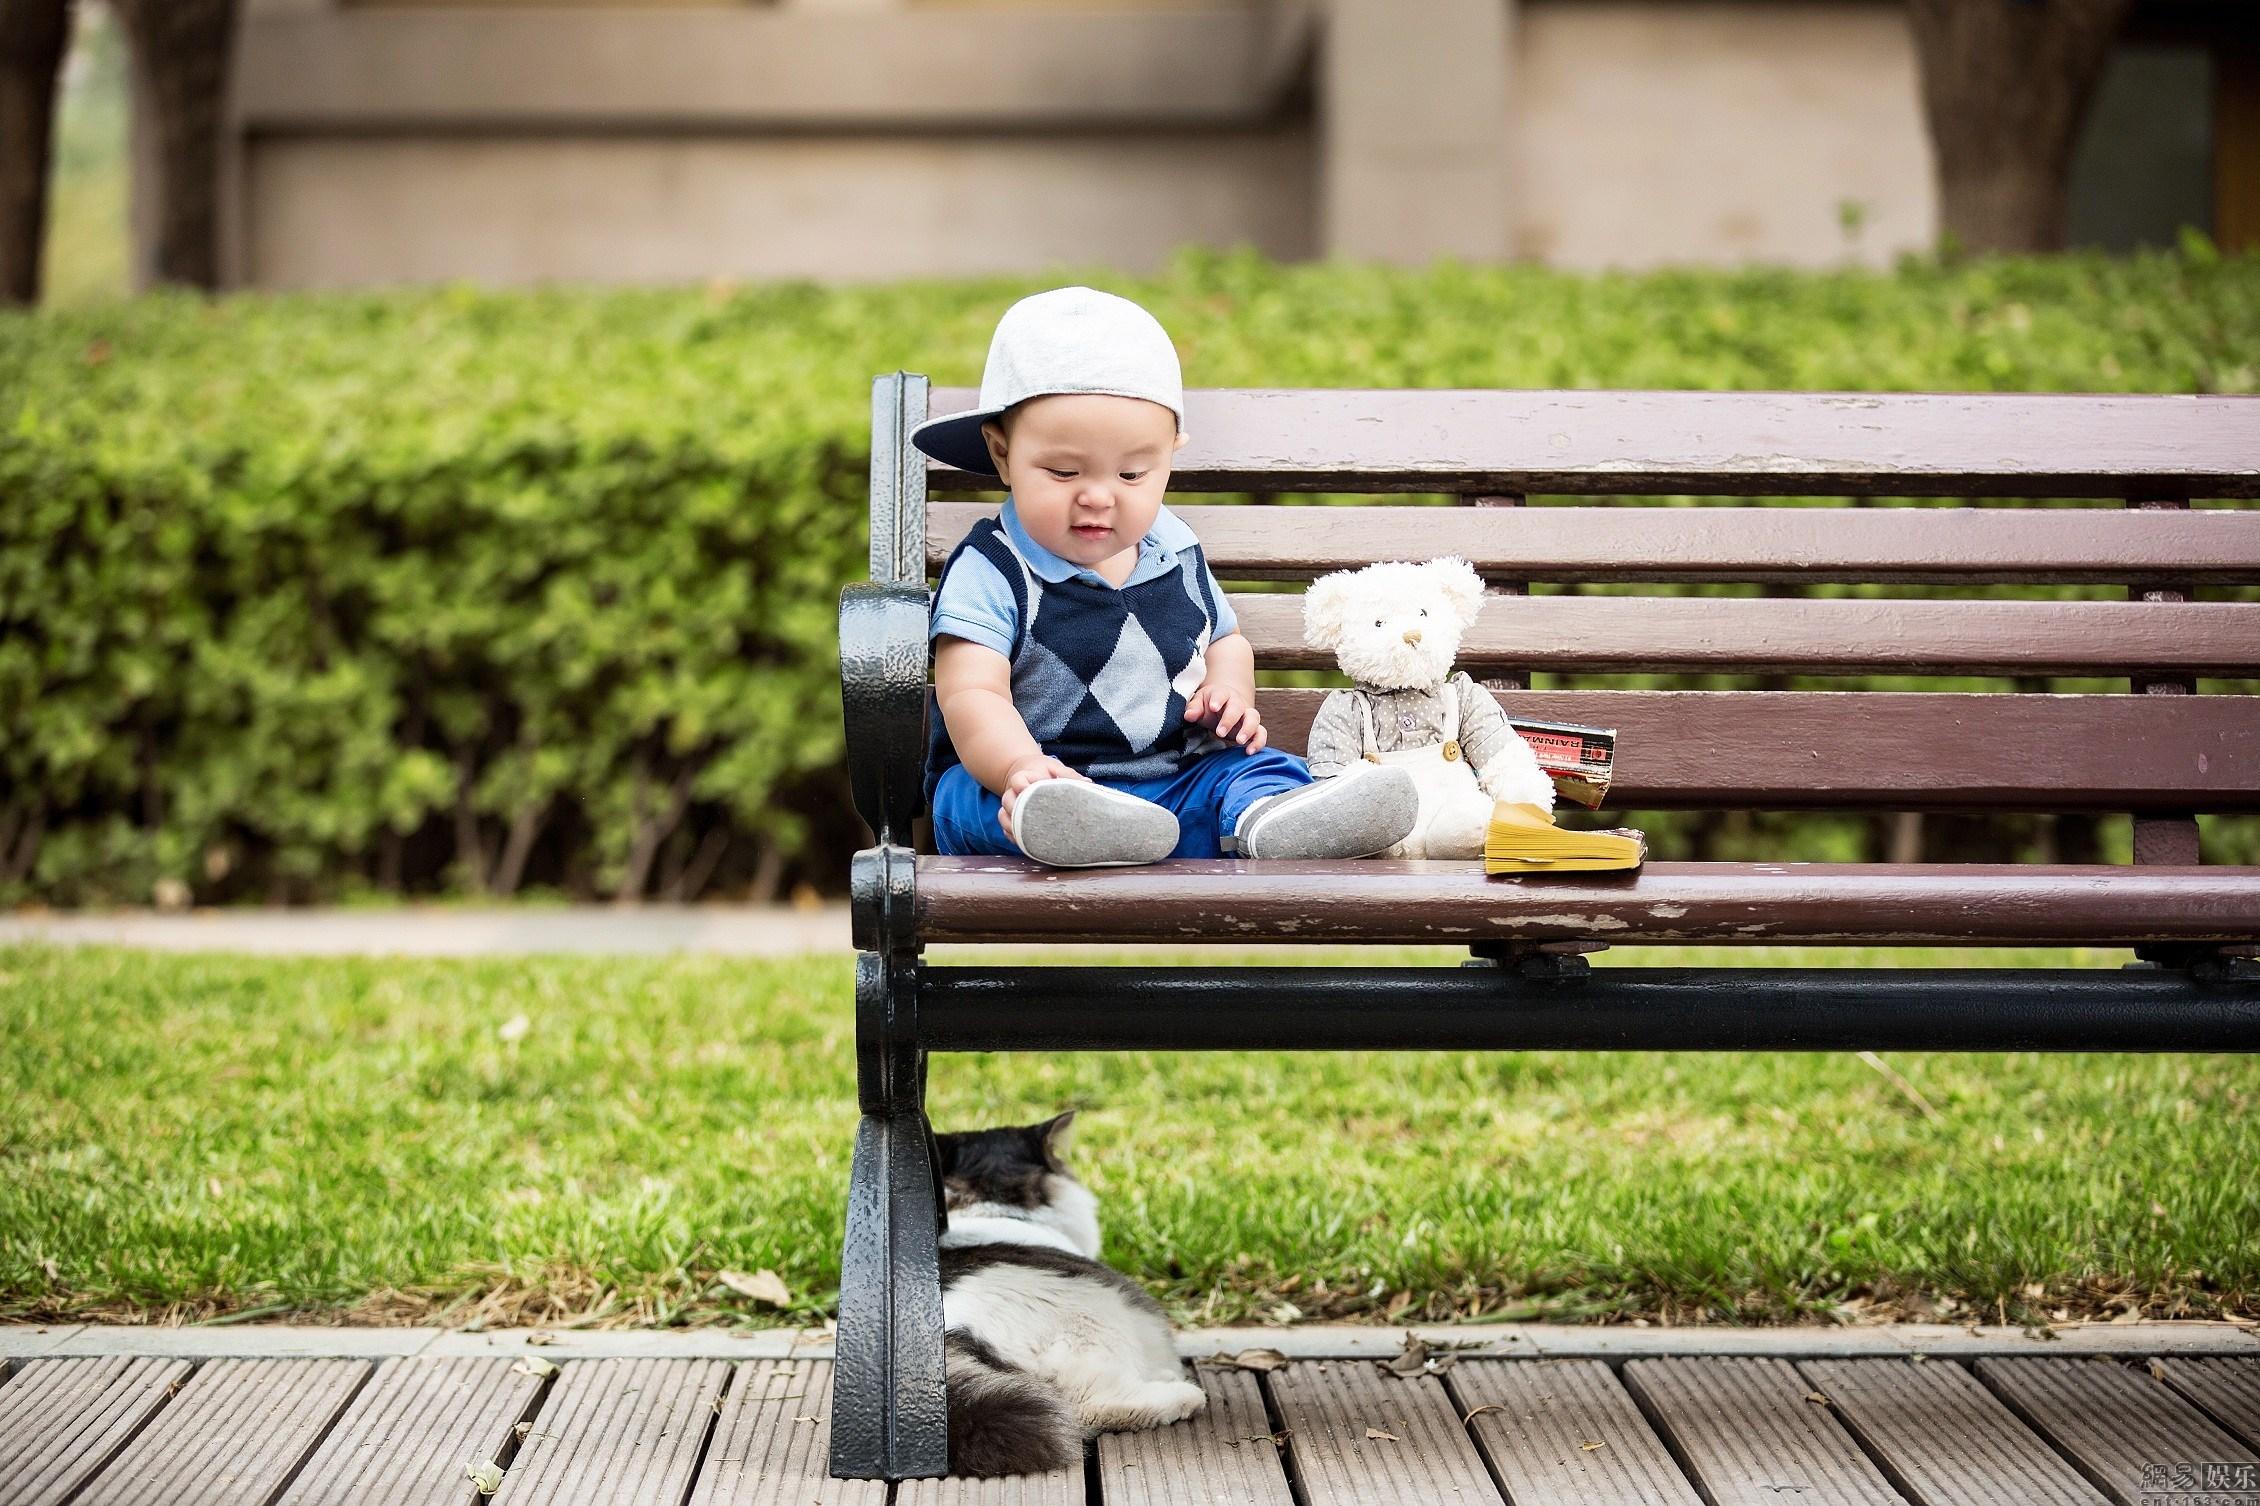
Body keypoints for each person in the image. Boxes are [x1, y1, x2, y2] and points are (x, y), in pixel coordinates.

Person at [909, 286, 1418, 867]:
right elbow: (972, 693)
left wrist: (1229, 689)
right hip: (1032, 786)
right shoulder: (990, 568)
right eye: (1064, 470)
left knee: (1255, 769)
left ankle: (1269, 819)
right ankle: (1075, 827)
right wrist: (1017, 768)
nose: (1098, 496)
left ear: (1169, 457)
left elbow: (1225, 639)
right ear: (1002, 455)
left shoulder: (1174, 549)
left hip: (1173, 785)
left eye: (1131, 474)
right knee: (963, 800)